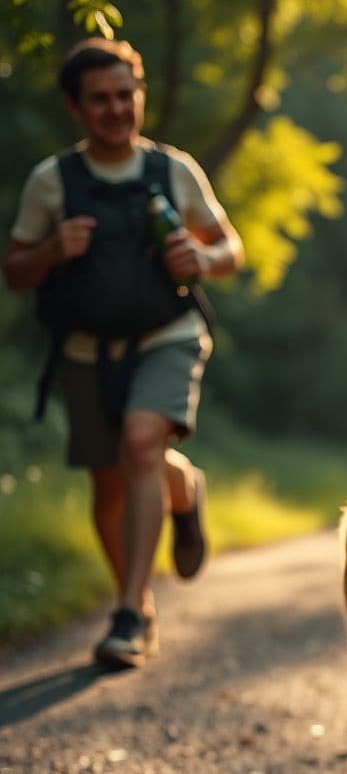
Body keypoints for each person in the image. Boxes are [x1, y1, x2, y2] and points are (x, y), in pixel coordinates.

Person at [2, 38, 244, 669]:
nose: (115, 109)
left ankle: (131, 612)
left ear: (139, 94)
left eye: (124, 95)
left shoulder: (174, 170)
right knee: (111, 484)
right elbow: (15, 271)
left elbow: (229, 248)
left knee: (139, 443)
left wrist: (205, 258)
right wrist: (51, 250)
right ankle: (181, 490)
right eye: (99, 100)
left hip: (167, 335)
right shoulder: (53, 182)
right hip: (84, 351)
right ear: (75, 108)